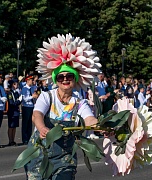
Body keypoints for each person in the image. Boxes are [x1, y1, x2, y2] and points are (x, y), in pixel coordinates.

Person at [24, 33, 101, 179]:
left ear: (75, 79)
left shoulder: (79, 103)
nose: (65, 79)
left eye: (69, 76)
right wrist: (41, 128)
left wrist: (101, 126)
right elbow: (37, 114)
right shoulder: (47, 96)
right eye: (61, 76)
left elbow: (89, 119)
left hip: (65, 160)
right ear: (56, 80)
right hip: (39, 157)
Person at [21, 74, 38, 145]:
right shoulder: (24, 88)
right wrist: (32, 97)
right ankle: (24, 139)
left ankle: (29, 137)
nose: (32, 81)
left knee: (30, 123)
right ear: (28, 80)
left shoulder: (32, 88)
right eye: (31, 80)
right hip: (26, 107)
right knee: (25, 123)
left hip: (31, 106)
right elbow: (24, 99)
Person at [6, 79, 22, 146]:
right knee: (11, 126)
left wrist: (19, 101)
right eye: (15, 84)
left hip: (16, 111)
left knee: (14, 126)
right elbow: (11, 103)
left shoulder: (16, 92)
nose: (17, 85)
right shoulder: (10, 93)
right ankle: (10, 140)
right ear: (12, 85)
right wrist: (19, 101)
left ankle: (13, 140)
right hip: (11, 111)